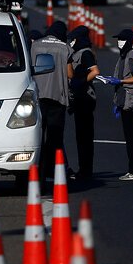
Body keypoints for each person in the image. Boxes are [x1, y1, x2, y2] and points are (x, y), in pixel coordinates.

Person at [31, 21, 72, 180]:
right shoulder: (65, 48)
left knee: (38, 136)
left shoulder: (35, 46)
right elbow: (70, 74)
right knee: (55, 137)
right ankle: (55, 171)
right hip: (58, 97)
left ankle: (38, 171)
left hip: (38, 96)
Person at [107, 28, 133, 181]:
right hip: (124, 101)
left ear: (128, 41)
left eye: (121, 39)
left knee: (132, 138)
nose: (119, 42)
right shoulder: (123, 56)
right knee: (129, 137)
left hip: (131, 102)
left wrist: (121, 81)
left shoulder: (130, 57)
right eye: (118, 39)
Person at [67, 25, 99, 181]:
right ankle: (83, 168)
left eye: (73, 39)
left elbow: (95, 71)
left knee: (85, 136)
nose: (71, 42)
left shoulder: (85, 53)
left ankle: (86, 170)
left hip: (86, 98)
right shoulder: (76, 53)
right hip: (79, 99)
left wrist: (80, 82)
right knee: (81, 136)